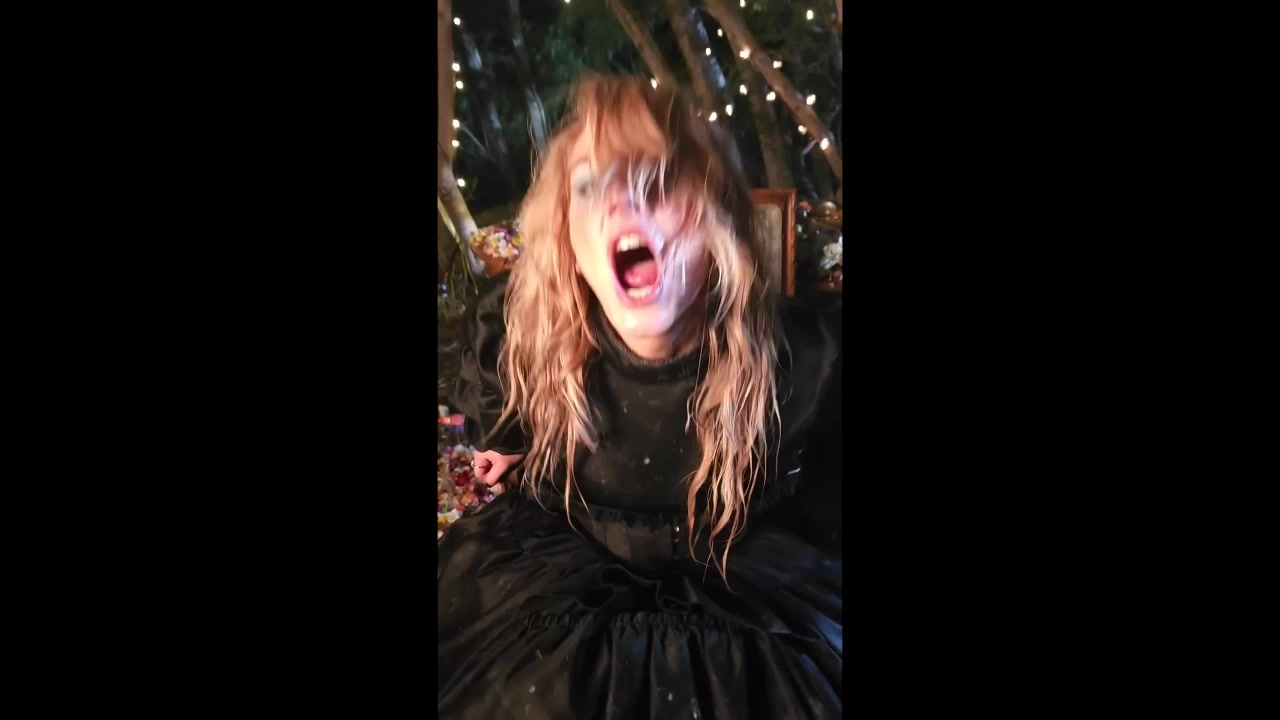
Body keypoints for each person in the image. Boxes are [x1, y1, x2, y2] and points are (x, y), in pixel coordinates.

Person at [440, 75, 842, 719]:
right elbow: (501, 406)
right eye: (590, 185)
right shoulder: (527, 336)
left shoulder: (808, 360)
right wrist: (511, 440)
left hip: (749, 584)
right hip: (563, 571)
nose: (621, 202)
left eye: (658, 180)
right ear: (568, 237)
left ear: (716, 218)